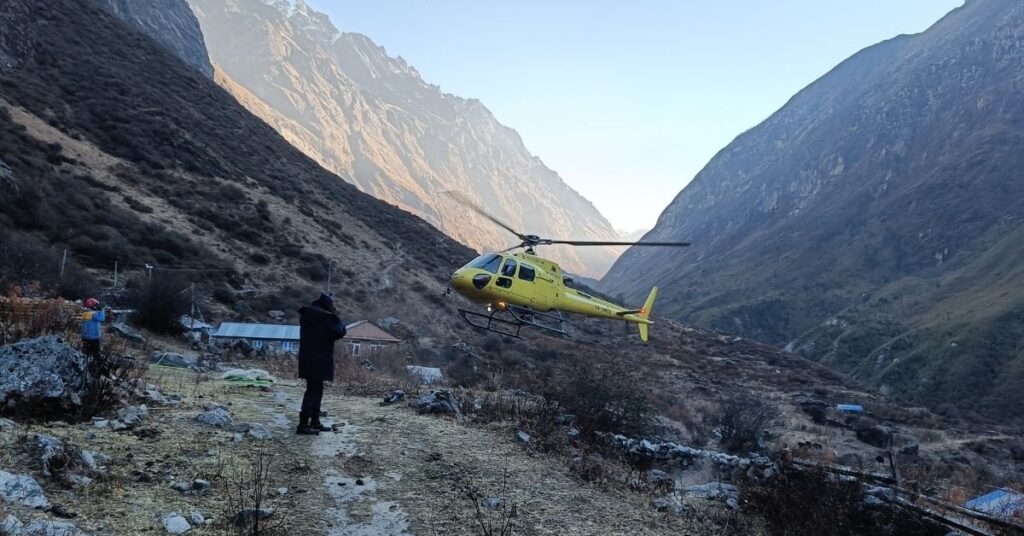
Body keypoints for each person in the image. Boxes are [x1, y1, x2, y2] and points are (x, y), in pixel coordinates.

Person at [296, 292, 346, 435]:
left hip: (307, 358)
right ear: (328, 305)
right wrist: (336, 316)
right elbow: (340, 331)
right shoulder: (326, 317)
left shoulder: (308, 315)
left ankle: (314, 421)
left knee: (314, 389)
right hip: (320, 358)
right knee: (314, 391)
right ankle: (303, 424)